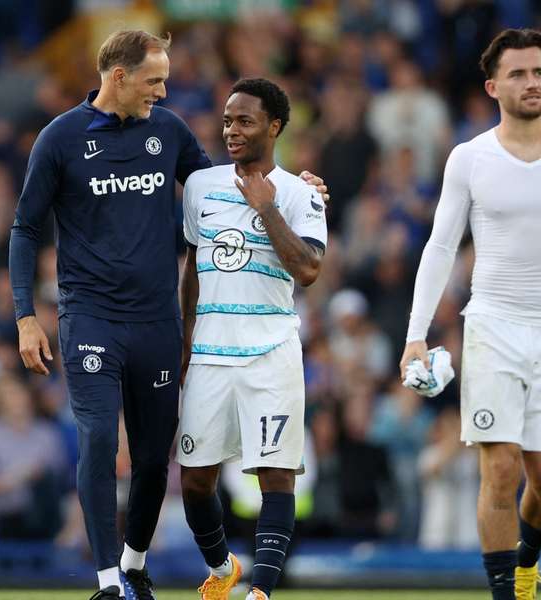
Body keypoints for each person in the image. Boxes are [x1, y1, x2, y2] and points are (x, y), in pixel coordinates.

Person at [9, 31, 327, 600]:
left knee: (157, 458)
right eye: (155, 79)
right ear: (120, 76)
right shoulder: (59, 138)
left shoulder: (169, 132)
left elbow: (225, 193)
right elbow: (25, 228)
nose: (164, 89)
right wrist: (24, 315)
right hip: (91, 317)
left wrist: (293, 189)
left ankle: (135, 565)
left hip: (158, 323)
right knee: (100, 438)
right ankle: (109, 581)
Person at [398, 28, 541, 600]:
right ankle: (507, 593)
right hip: (492, 326)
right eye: (519, 74)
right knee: (500, 469)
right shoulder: (470, 158)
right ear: (493, 86)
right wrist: (415, 334)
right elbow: (440, 247)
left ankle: (526, 557)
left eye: (539, 72)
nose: (532, 82)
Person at [177, 78, 327, 600]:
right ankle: (223, 571)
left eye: (244, 120)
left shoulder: (302, 193)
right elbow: (192, 268)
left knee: (276, 477)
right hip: (210, 356)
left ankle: (261, 592)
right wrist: (184, 341)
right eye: (227, 121)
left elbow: (308, 269)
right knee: (195, 481)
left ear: (275, 126)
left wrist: (267, 207)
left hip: (271, 353)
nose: (231, 131)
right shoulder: (199, 186)